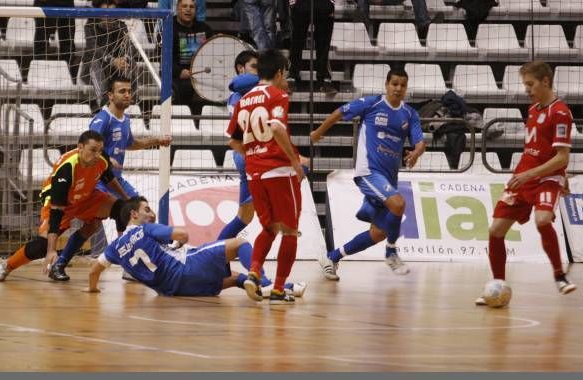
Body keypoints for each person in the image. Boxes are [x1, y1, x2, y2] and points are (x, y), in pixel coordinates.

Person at [49, 76, 171, 278]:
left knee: (145, 212)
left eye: (128, 91)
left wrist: (156, 140)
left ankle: (131, 266)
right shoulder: (102, 119)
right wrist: (105, 158)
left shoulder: (126, 120)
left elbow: (130, 143)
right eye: (121, 91)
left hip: (117, 180)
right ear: (110, 95)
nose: (127, 95)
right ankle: (59, 264)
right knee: (96, 225)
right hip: (98, 181)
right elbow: (91, 145)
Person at [475, 61, 577, 305]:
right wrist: (523, 175)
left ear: (545, 81)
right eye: (525, 85)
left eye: (530, 85)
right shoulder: (533, 110)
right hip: (523, 177)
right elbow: (533, 149)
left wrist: (552, 176)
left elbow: (562, 157)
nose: (527, 90)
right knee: (495, 231)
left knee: (542, 220)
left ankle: (560, 276)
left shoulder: (560, 112)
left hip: (545, 178)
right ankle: (498, 284)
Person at [310, 68, 426, 280]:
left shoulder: (409, 113)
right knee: (399, 204)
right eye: (395, 84)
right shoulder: (372, 104)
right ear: (386, 84)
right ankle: (391, 253)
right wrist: (318, 132)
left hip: (389, 179)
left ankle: (332, 257)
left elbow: (420, 142)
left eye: (403, 85)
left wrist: (416, 153)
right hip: (368, 172)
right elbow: (340, 112)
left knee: (379, 233)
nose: (398, 88)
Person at [85, 197, 299, 301]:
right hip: (187, 266)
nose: (151, 214)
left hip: (173, 291)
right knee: (239, 243)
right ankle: (274, 285)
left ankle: (279, 289)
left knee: (234, 278)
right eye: (146, 210)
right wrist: (176, 244)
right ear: (133, 215)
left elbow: (94, 271)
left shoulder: (114, 247)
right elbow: (183, 235)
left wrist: (93, 289)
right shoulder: (146, 229)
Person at [220, 50, 308, 298]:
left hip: (254, 174)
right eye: (286, 74)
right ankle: (279, 289)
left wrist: (253, 157)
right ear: (279, 73)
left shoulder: (243, 99)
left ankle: (254, 272)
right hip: (279, 171)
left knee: (269, 228)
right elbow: (277, 128)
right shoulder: (278, 95)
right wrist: (295, 160)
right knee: (290, 231)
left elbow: (232, 141)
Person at [0, 131, 129, 282]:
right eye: (93, 150)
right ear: (80, 147)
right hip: (59, 202)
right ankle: (7, 265)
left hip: (85, 197)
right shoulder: (67, 169)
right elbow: (57, 213)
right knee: (43, 245)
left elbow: (108, 178)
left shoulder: (101, 159)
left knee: (121, 210)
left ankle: (122, 259)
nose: (97, 154)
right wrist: (51, 250)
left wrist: (127, 198)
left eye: (100, 150)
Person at [80, 0, 141, 111]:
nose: (109, 16)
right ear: (98, 12)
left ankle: (132, 101)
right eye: (105, 12)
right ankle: (104, 104)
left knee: (131, 62)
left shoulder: (120, 26)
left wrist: (125, 58)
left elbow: (131, 48)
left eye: (112, 12)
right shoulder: (90, 26)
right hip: (90, 72)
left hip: (114, 71)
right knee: (95, 63)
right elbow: (93, 49)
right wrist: (112, 60)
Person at [172, 0, 213, 116]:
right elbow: (163, 57)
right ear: (178, 9)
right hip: (178, 77)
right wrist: (179, 71)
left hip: (203, 75)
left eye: (192, 7)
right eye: (184, 6)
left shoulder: (205, 29)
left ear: (196, 10)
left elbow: (213, 54)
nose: (188, 9)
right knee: (185, 87)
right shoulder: (169, 28)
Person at [288, 0, 336, 94]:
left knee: (323, 42)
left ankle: (324, 79)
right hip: (301, 3)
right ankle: (292, 76)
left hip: (324, 4)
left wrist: (331, 2)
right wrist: (293, 2)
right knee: (296, 41)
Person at [33, 0, 77, 80]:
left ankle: (67, 78)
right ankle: (39, 77)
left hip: (67, 4)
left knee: (68, 45)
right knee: (41, 44)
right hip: (44, 3)